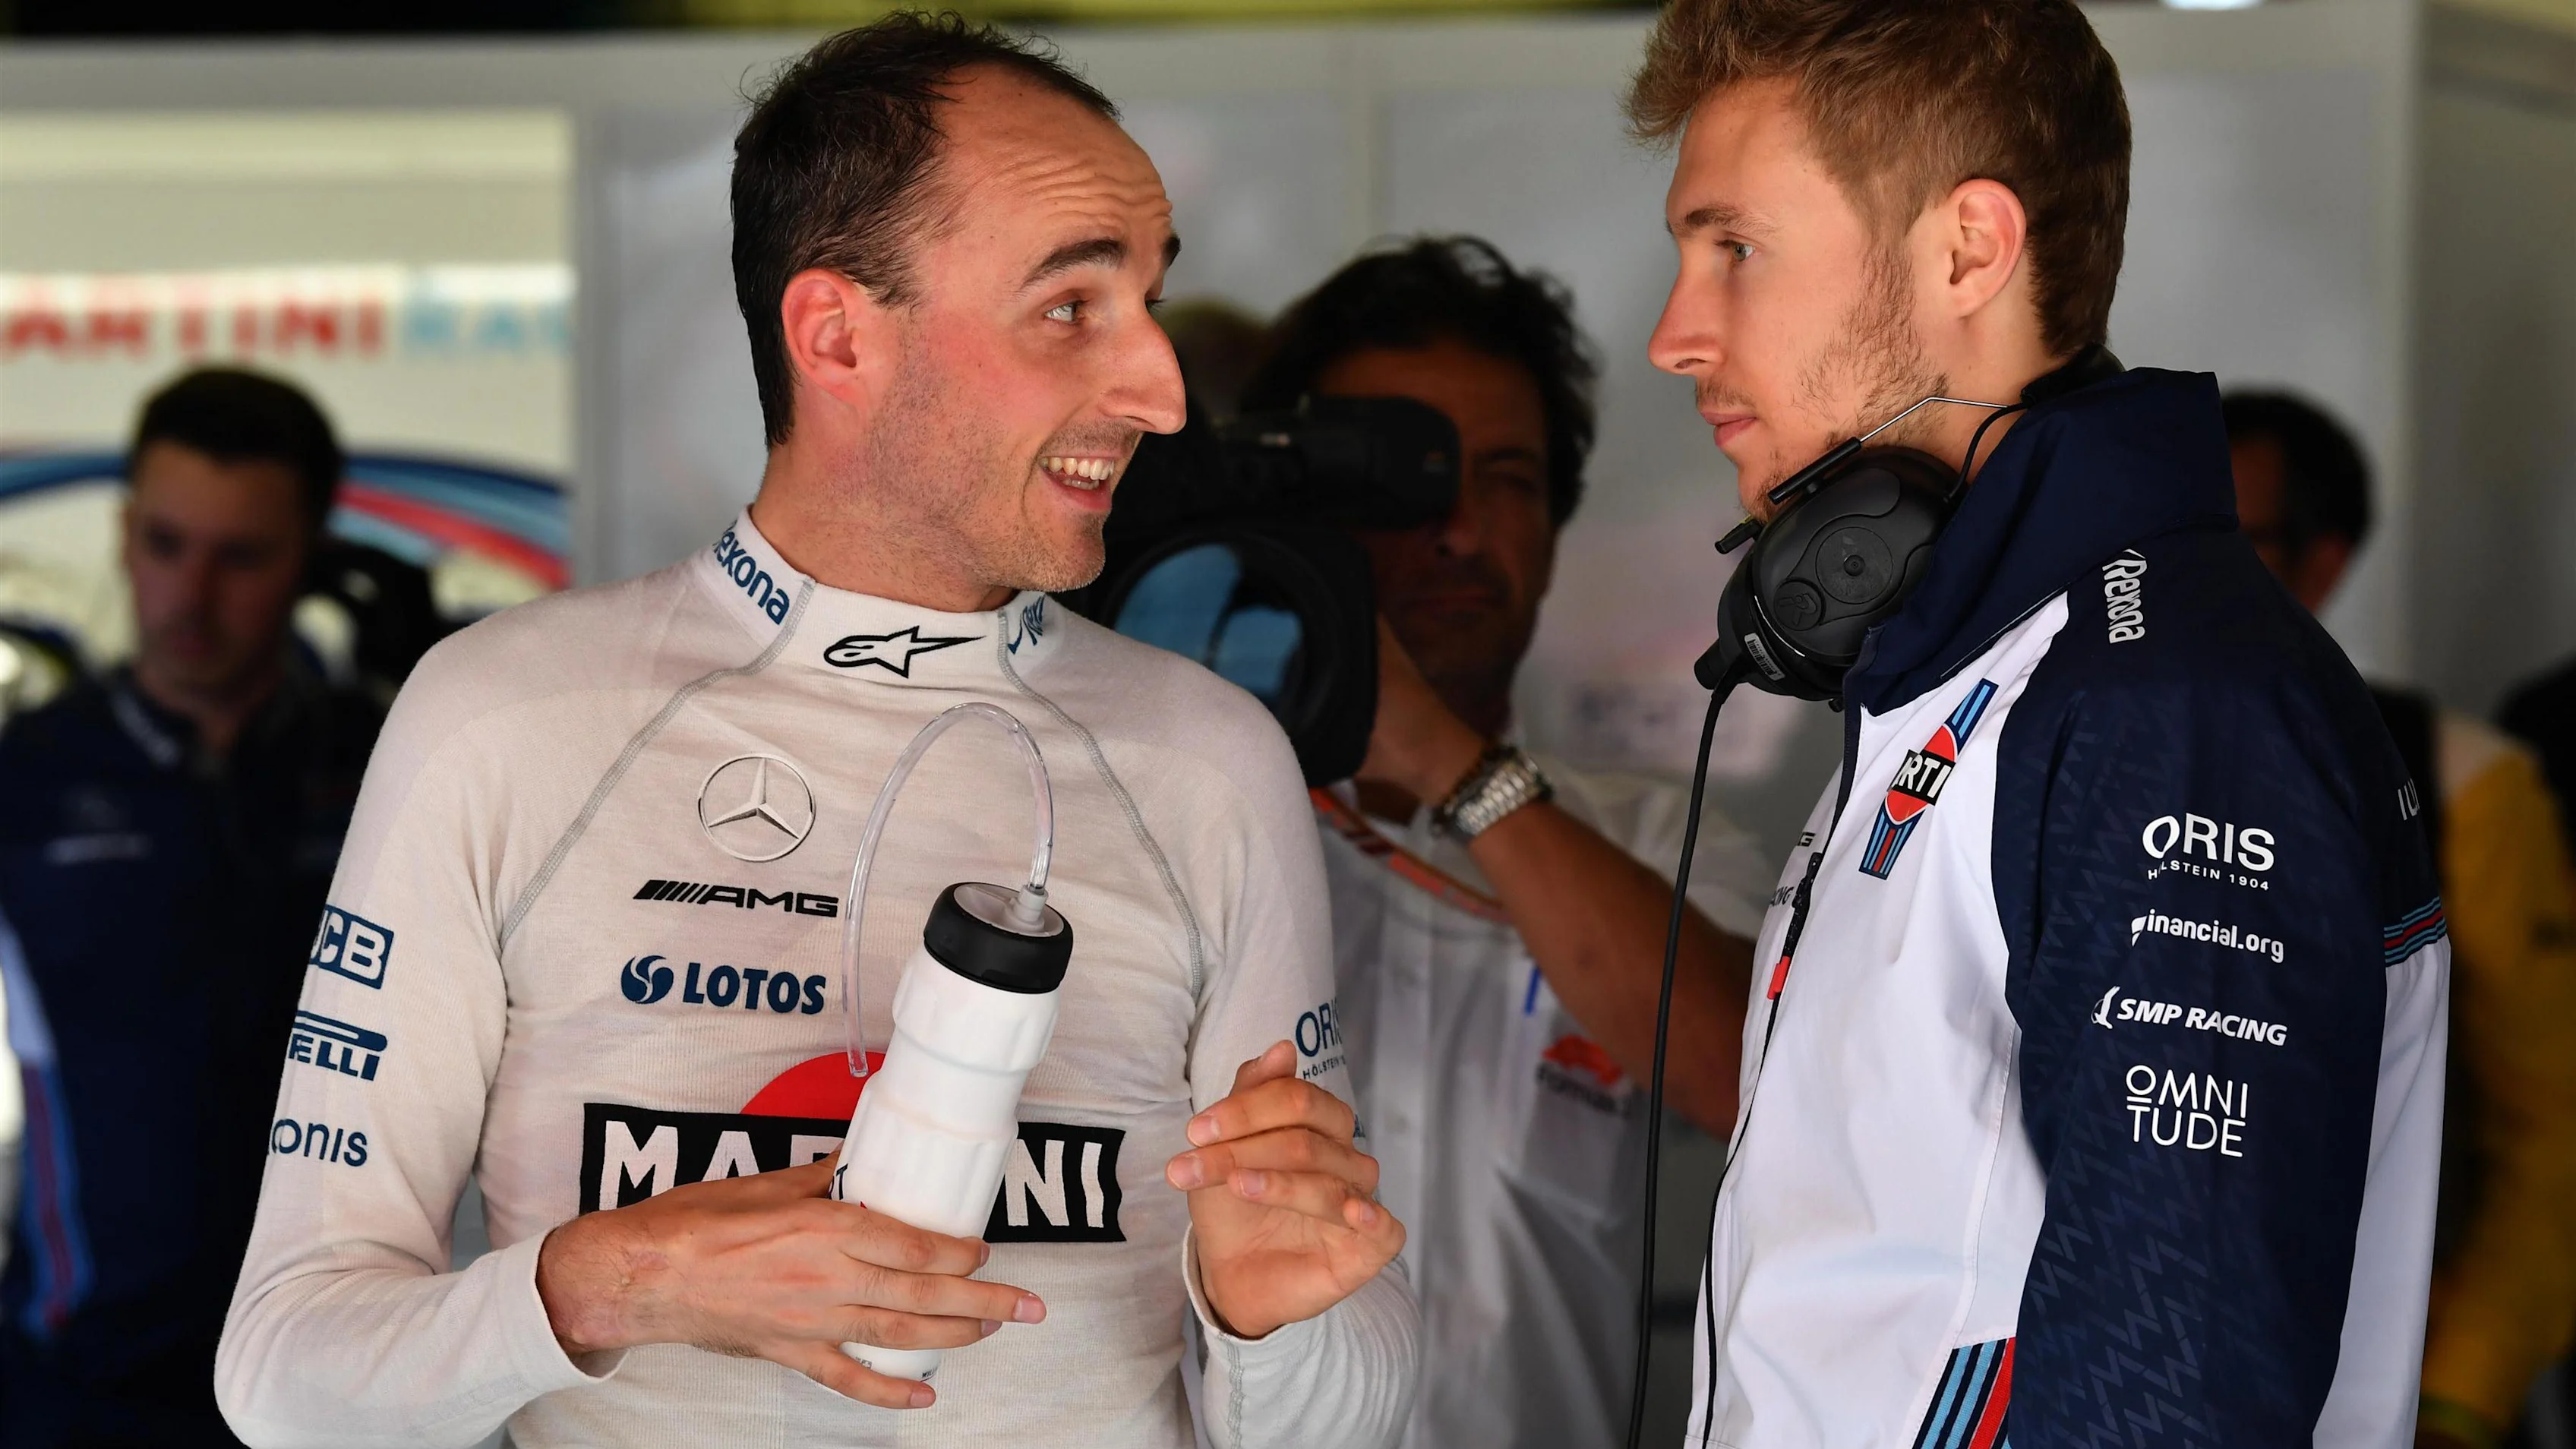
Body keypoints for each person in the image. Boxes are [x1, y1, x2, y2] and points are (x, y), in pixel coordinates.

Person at [213, 17, 1416, 1449]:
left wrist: (1271, 1323)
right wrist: (613, 1284)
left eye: (1152, 301)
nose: (1161, 390)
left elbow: (1343, 1423)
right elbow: (285, 1377)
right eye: (1070, 308)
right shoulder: (508, 719)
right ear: (837, 334)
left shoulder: (1208, 761)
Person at [1631, 1, 2449, 1443]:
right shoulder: (1964, 654)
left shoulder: (2166, 704)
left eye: (1733, 248)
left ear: (1969, 249)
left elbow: (2172, 1381)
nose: (1673, 335)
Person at [1234, 235, 1770, 1449]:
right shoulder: (1191, 813)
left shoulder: (1658, 839)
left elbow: (1742, 1072)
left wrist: (1451, 766)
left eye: (1511, 478)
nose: (1463, 531)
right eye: (1408, 481)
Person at [1, 366, 384, 1447]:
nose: (191, 597)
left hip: (335, 1367)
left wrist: (432, 678)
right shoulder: (27, 775)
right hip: (80, 1369)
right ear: (125, 534)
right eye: (165, 546)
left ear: (312, 554)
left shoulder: (393, 761)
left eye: (243, 557)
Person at [2226, 390, 2576, 1449]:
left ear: (2322, 562)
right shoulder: (2070, 756)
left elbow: (2552, 1132)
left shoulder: (2463, 780)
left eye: (2234, 542)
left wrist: (2453, 1400)